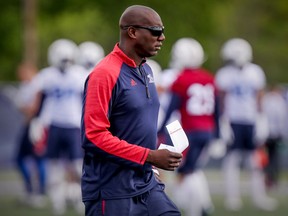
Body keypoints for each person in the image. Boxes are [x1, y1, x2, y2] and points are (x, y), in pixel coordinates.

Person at [81, 5, 182, 216]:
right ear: (133, 32)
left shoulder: (146, 70)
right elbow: (93, 137)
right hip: (111, 190)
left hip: (146, 182)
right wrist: (150, 156)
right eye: (155, 31)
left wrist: (151, 161)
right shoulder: (104, 74)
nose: (162, 37)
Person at [215, 38, 278, 211]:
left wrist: (261, 119)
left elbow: (259, 97)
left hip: (251, 120)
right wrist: (223, 121)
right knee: (232, 160)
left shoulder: (255, 72)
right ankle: (232, 197)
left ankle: (259, 196)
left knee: (254, 160)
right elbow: (221, 100)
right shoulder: (225, 73)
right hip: (233, 121)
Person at [158, 38, 219, 216]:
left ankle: (193, 207)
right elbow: (217, 109)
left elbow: (170, 105)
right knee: (190, 171)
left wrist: (160, 129)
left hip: (182, 130)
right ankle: (202, 206)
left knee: (182, 171)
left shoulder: (178, 77)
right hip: (205, 129)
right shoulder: (207, 77)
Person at [32, 38, 86, 215]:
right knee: (54, 167)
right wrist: (37, 121)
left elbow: (84, 101)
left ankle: (80, 200)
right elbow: (41, 101)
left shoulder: (79, 74)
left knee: (78, 167)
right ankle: (58, 203)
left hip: (73, 126)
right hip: (53, 125)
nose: (65, 63)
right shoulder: (46, 75)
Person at [14, 62, 47, 208]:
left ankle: (40, 192)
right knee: (20, 158)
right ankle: (30, 188)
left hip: (37, 126)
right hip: (29, 126)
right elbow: (22, 107)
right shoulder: (25, 86)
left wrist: (28, 109)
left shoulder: (37, 84)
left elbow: (33, 108)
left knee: (38, 159)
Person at [261, 84, 288, 189]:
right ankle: (272, 179)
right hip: (275, 133)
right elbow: (281, 118)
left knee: (266, 157)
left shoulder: (266, 100)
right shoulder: (279, 101)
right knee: (274, 158)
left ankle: (267, 178)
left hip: (265, 132)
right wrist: (283, 132)